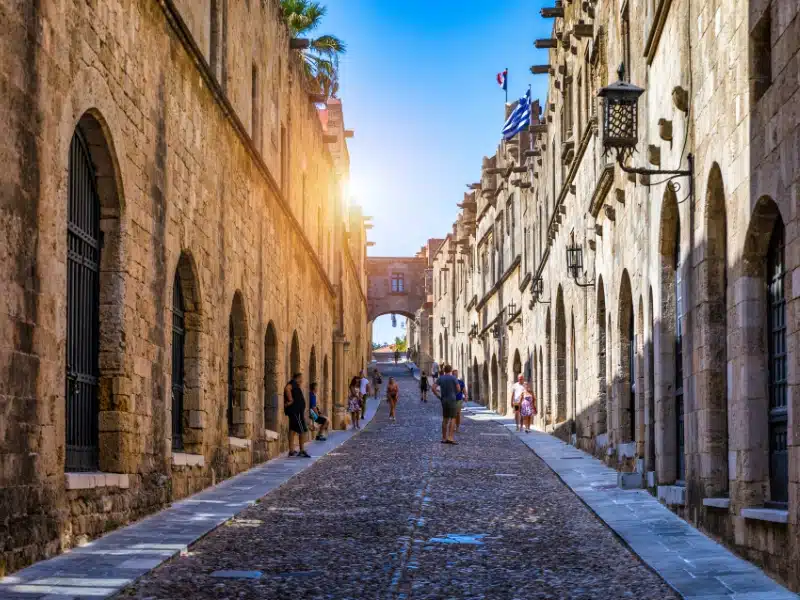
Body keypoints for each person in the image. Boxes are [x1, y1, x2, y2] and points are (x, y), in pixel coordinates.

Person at [283, 373, 311, 457]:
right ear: (297, 378)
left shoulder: (296, 385)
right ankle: (302, 450)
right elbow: (287, 388)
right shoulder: (292, 383)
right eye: (301, 379)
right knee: (302, 430)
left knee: (292, 430)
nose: (302, 381)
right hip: (295, 411)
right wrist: (290, 399)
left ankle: (291, 450)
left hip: (297, 412)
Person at [433, 364, 461, 444]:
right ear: (450, 370)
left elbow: (433, 388)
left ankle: (444, 438)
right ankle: (450, 437)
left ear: (444, 370)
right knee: (453, 418)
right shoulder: (453, 378)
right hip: (452, 399)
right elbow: (459, 388)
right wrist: (454, 393)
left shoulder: (440, 378)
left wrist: (439, 396)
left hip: (444, 400)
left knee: (445, 419)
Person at [453, 368, 466, 433]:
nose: (456, 375)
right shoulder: (451, 382)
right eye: (454, 374)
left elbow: (464, 390)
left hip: (458, 399)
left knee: (457, 413)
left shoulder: (461, 382)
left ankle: (457, 427)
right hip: (451, 400)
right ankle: (453, 426)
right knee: (453, 414)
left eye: (456, 374)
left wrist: (466, 396)